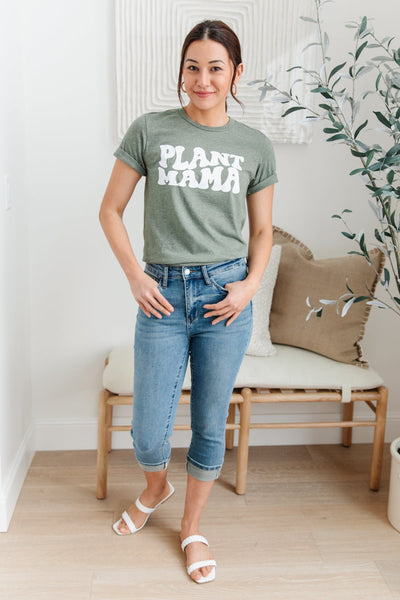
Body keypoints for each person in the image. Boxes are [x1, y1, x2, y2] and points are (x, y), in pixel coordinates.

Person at [99, 19, 277, 584]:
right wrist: (135, 277)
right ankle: (156, 487)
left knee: (208, 424)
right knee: (149, 433)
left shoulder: (254, 146)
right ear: (181, 71)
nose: (203, 80)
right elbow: (110, 210)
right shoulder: (150, 130)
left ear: (236, 74)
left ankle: (191, 527)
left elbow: (262, 231)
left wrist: (249, 286)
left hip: (225, 297)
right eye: (193, 67)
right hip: (162, 296)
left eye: (215, 68)